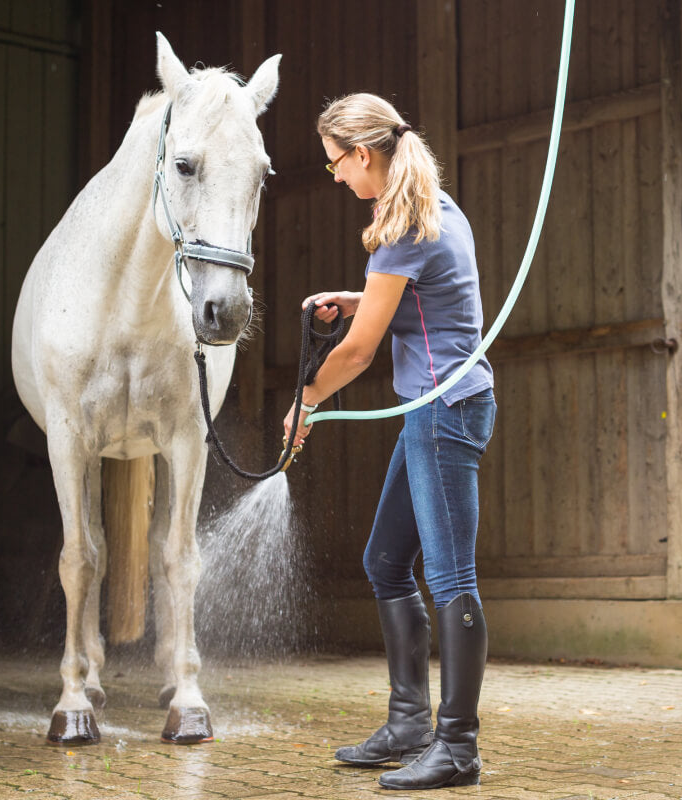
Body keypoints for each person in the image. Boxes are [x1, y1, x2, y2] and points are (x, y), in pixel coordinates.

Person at [282, 93, 496, 790]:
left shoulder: (404, 225)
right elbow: (413, 295)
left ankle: (457, 747)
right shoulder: (430, 206)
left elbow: (360, 351)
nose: (336, 177)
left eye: (335, 164)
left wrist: (305, 402)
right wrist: (357, 294)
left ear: (363, 154)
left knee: (451, 578)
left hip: (445, 413)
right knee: (384, 560)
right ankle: (410, 721)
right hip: (431, 414)